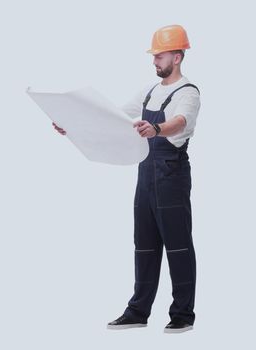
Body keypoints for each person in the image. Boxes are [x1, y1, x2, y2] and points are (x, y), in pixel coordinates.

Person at [53, 24, 201, 334]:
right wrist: (74, 125)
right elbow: (115, 116)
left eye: (159, 55)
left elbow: (179, 121)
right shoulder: (149, 91)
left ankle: (183, 315)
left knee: (177, 246)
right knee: (144, 245)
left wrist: (157, 129)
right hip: (146, 176)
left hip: (171, 176)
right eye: (154, 55)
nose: (154, 60)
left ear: (177, 57)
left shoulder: (188, 92)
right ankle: (138, 311)